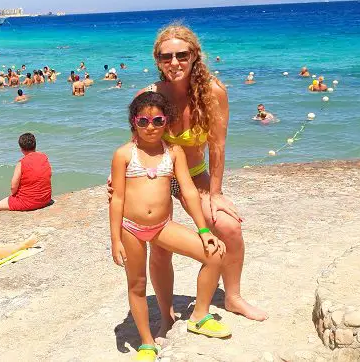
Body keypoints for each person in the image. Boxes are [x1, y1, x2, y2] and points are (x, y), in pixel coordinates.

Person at [116, 23, 266, 327]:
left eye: (182, 55)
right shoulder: (150, 95)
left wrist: (216, 193)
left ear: (194, 55)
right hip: (155, 176)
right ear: (157, 60)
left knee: (229, 227)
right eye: (166, 57)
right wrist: (119, 178)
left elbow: (218, 146)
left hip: (194, 174)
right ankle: (166, 314)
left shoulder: (213, 92)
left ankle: (233, 297)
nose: (174, 63)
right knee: (159, 247)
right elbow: (138, 142)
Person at [110, 92, 230, 360]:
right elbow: (117, 198)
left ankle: (199, 316)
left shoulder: (174, 153)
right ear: (133, 122)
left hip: (163, 226)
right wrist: (115, 239)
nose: (150, 126)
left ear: (167, 122)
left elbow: (187, 191)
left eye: (157, 120)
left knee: (215, 254)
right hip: (131, 229)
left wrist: (204, 230)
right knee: (137, 284)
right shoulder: (123, 154)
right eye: (143, 121)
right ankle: (147, 343)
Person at [0, 133, 53, 212]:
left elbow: (13, 187)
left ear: (21, 148)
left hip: (29, 202)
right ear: (35, 145)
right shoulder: (44, 156)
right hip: (45, 199)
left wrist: (14, 196)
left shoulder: (21, 163)